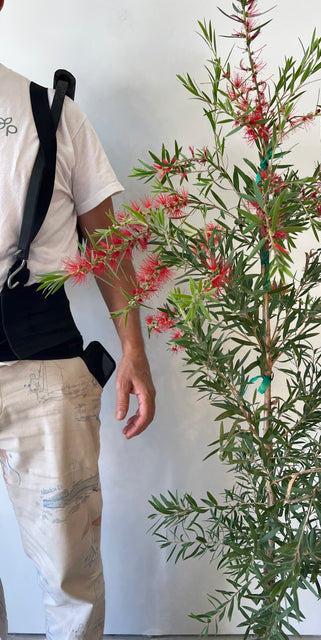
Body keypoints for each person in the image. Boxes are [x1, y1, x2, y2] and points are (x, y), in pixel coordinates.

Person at [0, 1, 156, 638]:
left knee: (71, 569)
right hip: (47, 373)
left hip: (48, 369)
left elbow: (109, 245)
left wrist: (135, 352)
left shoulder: (54, 116)